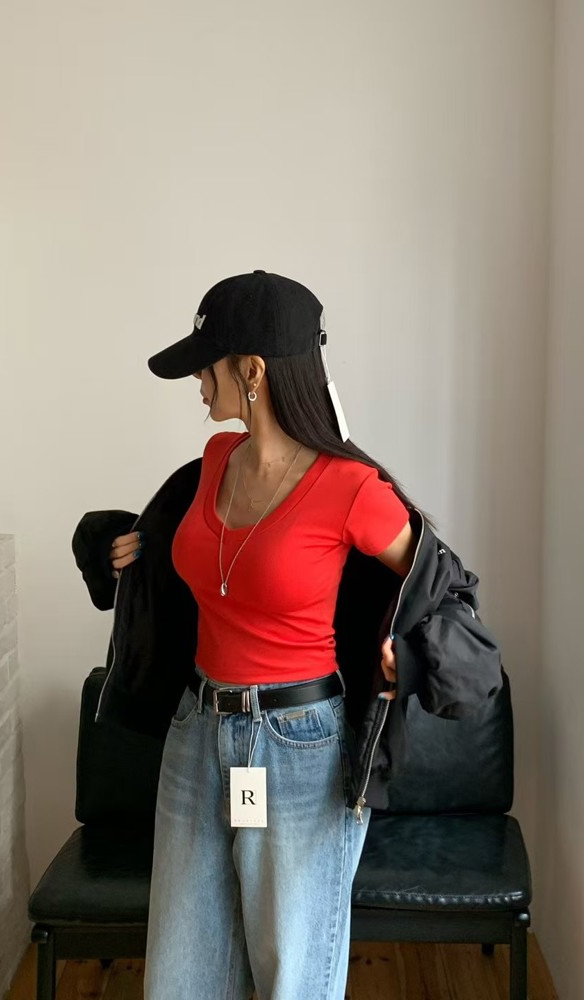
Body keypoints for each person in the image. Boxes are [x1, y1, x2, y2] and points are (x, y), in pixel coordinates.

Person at [107, 270, 431, 1000]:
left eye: (207, 366)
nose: (198, 383)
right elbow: (180, 555)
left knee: (293, 977)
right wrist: (121, 546)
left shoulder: (351, 488)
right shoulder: (214, 463)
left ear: (251, 371)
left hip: (298, 747)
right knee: (182, 975)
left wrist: (409, 658)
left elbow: (436, 587)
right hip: (197, 732)